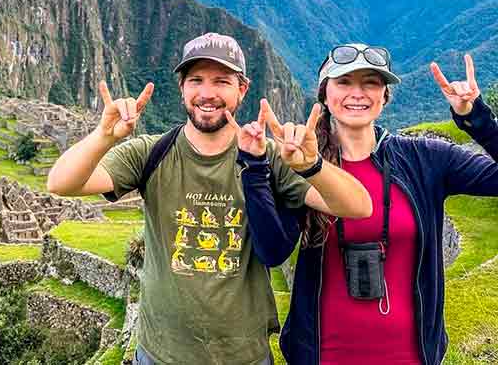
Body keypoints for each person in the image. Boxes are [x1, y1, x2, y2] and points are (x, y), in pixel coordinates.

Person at [47, 33, 372, 365]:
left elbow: (358, 206)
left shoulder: (271, 157)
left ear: (241, 89)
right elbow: (61, 183)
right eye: (196, 81)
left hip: (244, 356)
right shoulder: (151, 152)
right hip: (161, 354)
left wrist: (311, 165)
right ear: (182, 87)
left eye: (221, 81)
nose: (207, 94)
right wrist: (103, 136)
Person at [244, 44, 498, 365]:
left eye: (370, 82)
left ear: (385, 95)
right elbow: (272, 251)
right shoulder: (303, 164)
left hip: (410, 356)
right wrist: (255, 167)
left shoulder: (425, 160)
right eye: (344, 82)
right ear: (324, 94)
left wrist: (476, 118)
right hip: (322, 356)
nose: (358, 93)